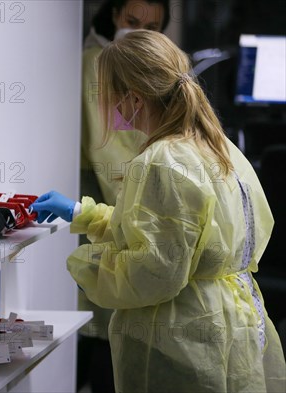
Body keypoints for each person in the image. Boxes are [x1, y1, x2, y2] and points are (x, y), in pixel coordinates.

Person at [32, 30, 286, 392]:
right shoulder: (216, 145)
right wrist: (79, 212)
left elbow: (154, 271)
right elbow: (167, 235)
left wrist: (88, 269)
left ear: (133, 98)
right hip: (230, 322)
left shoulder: (161, 162)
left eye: (107, 96)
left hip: (181, 338)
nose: (106, 105)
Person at [79, 1, 170, 391]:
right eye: (131, 22)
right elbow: (111, 156)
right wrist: (136, 216)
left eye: (151, 27)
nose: (137, 32)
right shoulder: (100, 67)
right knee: (101, 338)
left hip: (118, 212)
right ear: (113, 15)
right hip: (107, 205)